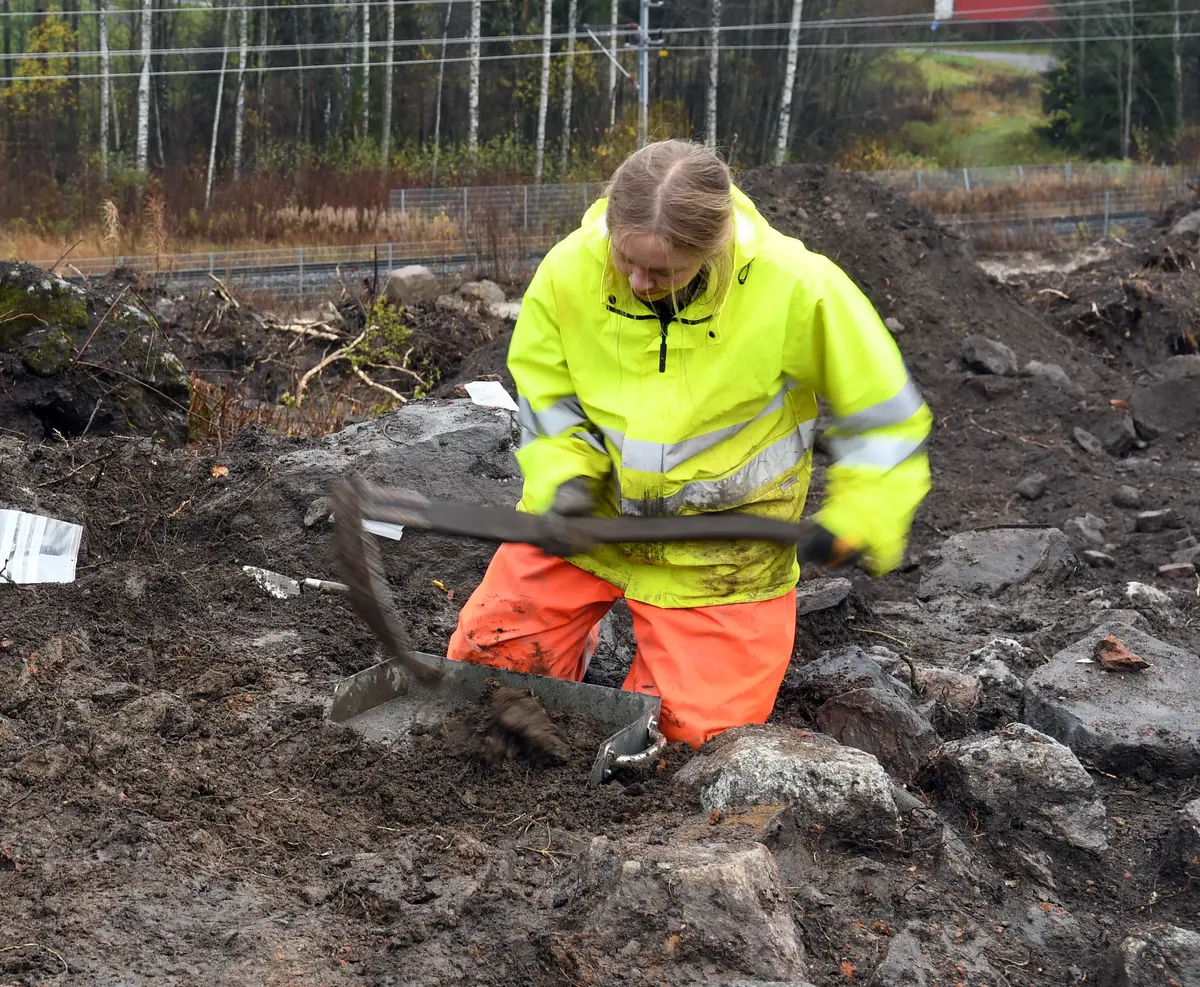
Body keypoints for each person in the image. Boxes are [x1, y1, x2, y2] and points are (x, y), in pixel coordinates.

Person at [447, 138, 932, 749]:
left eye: (663, 270)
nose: (637, 280)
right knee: (486, 684)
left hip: (724, 555)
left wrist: (862, 517)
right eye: (626, 259)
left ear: (713, 246)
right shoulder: (571, 269)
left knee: (683, 745)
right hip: (586, 526)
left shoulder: (797, 288)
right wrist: (564, 478)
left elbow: (886, 418)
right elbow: (548, 393)